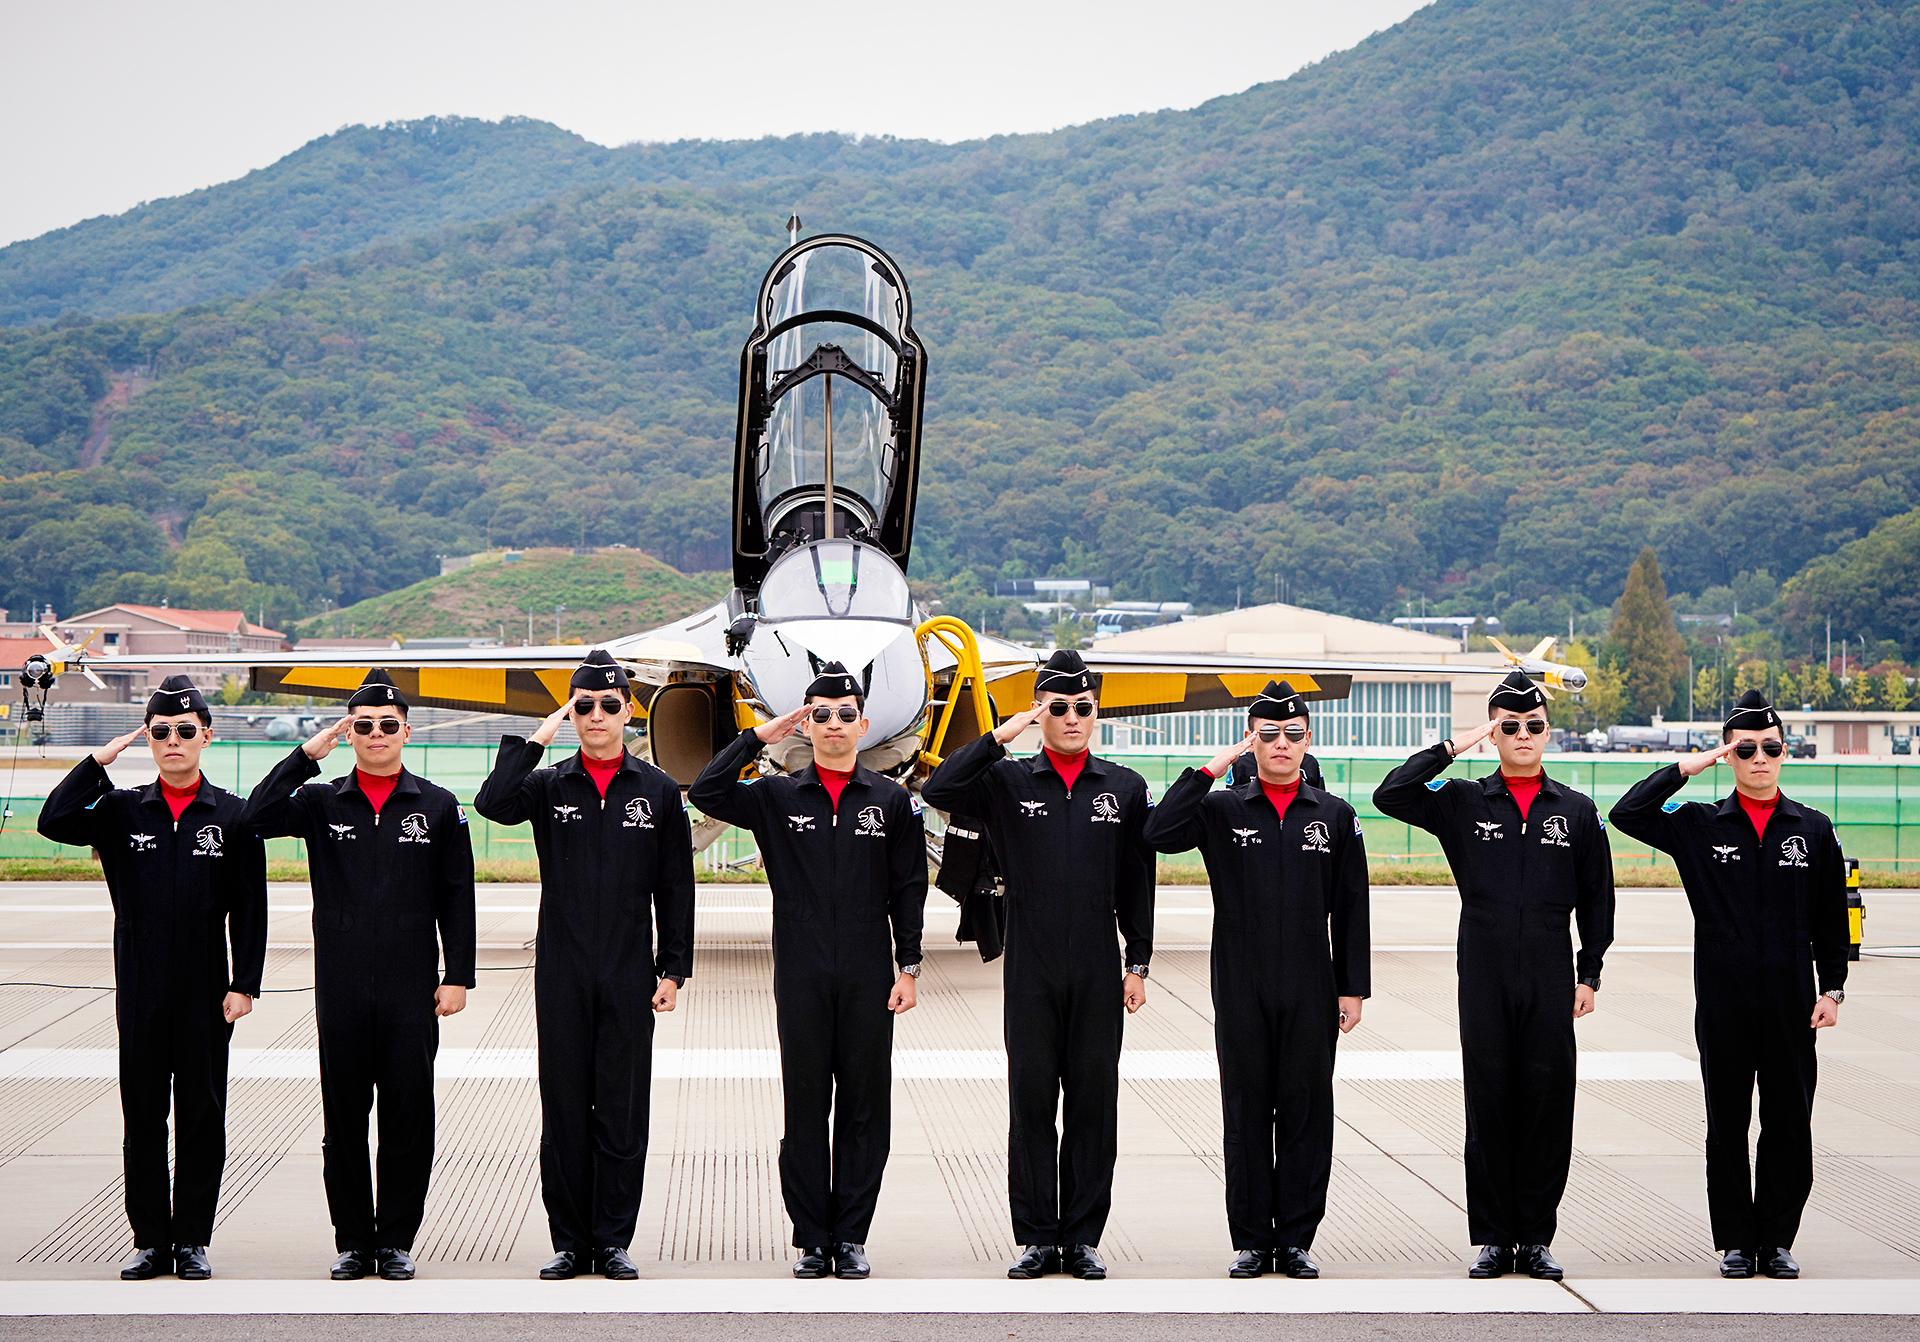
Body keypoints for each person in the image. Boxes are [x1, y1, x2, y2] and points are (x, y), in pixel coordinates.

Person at [921, 648, 1155, 1282]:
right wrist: (1001, 736)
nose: (1071, 717)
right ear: (1038, 711)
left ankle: (1082, 1237)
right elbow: (940, 789)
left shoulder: (1124, 787)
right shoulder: (1008, 781)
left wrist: (1138, 960)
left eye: (1083, 707)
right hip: (1030, 963)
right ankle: (1035, 1237)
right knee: (1030, 1103)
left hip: (1098, 966)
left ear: (1096, 712)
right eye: (1058, 707)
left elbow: (1138, 878)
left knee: (1092, 1104)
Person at [1372, 669, 1613, 1282]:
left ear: (1548, 732)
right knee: (1488, 1102)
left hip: (1550, 969)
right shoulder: (1464, 801)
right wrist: (1455, 746)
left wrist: (1589, 972)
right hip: (1483, 966)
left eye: (1534, 725)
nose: (1523, 734)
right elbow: (1391, 794)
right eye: (1510, 726)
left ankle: (1535, 1237)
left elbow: (1598, 898)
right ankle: (1493, 1238)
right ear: (1494, 733)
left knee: (1547, 1103)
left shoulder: (1576, 810)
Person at [690, 661, 926, 1281]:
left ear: (863, 725)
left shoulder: (892, 801)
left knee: (864, 1108)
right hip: (800, 970)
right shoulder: (776, 797)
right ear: (807, 724)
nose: (834, 724)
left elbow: (909, 887)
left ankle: (851, 1235)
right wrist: (757, 737)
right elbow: (706, 793)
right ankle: (812, 1239)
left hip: (868, 972)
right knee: (805, 1106)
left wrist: (908, 965)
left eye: (846, 715)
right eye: (821, 715)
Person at [244, 669, 475, 1282]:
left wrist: (458, 974)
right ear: (349, 733)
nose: (377, 734)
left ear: (407, 731)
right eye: (364, 725)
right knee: (343, 1119)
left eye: (388, 725)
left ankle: (395, 1240)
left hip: (411, 987)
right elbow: (256, 817)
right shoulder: (322, 802)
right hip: (342, 986)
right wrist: (305, 756)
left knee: (407, 1116)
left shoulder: (436, 805)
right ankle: (352, 1241)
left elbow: (457, 894)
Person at [1609, 689, 1848, 1280]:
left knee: (1789, 1121)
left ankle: (1778, 1239)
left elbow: (1831, 917)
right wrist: (1687, 767)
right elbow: (1627, 813)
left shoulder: (1812, 829)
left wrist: (1833, 988)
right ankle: (1737, 1241)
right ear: (1728, 755)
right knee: (1727, 1123)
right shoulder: (1699, 825)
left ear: (1785, 753)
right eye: (1745, 749)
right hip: (1723, 999)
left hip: (1793, 999)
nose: (1759, 758)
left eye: (1770, 747)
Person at [473, 649, 694, 1282]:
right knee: (565, 1106)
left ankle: (614, 1238)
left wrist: (673, 968)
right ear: (571, 715)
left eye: (608, 704)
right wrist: (537, 739)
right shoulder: (549, 785)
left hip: (628, 970)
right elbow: (492, 802)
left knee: (622, 1108)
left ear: (629, 711)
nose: (597, 715)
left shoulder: (657, 791)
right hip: (563, 969)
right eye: (583, 705)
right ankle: (570, 1241)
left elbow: (676, 886)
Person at [40, 676, 266, 1281]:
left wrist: (245, 982)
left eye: (185, 730)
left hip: (206, 987)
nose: (173, 741)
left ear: (207, 736)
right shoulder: (121, 810)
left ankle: (191, 1239)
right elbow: (53, 820)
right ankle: (148, 1240)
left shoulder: (233, 815)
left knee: (201, 1115)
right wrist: (96, 763)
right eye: (161, 731)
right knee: (142, 1114)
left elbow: (251, 907)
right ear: (148, 738)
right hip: (140, 983)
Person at [1144, 681, 1369, 1280]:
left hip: (1310, 982)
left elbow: (1352, 907)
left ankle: (1295, 1239)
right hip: (1241, 980)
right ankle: (1250, 1239)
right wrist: (1211, 769)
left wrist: (1352, 987)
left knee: (1305, 1111)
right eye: (1268, 735)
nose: (1281, 745)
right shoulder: (1222, 810)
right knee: (1245, 1111)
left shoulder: (1335, 815)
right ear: (1252, 741)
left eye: (1292, 734)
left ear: (1307, 739)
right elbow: (1158, 833)